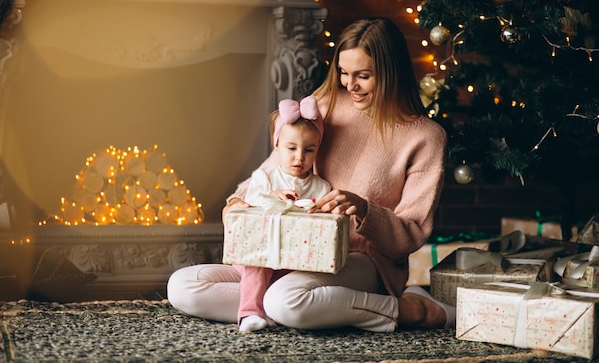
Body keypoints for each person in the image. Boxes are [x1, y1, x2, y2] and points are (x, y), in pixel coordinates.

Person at [167, 17, 455, 332]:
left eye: (363, 76)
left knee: (284, 300)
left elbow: (410, 235)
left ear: (391, 73)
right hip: (289, 247)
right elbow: (274, 169)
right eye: (344, 73)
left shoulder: (426, 136)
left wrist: (363, 208)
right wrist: (238, 202)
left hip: (360, 260)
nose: (350, 85)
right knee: (183, 286)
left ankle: (403, 309)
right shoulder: (325, 106)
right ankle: (309, 306)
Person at [236, 96, 332, 332]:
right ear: (277, 146)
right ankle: (249, 313)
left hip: (294, 257)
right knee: (258, 264)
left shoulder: (322, 187)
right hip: (259, 252)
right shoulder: (265, 178)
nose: (299, 157)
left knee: (301, 278)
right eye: (291, 148)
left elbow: (324, 224)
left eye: (309, 150)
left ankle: (273, 309)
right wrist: (272, 197)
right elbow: (249, 207)